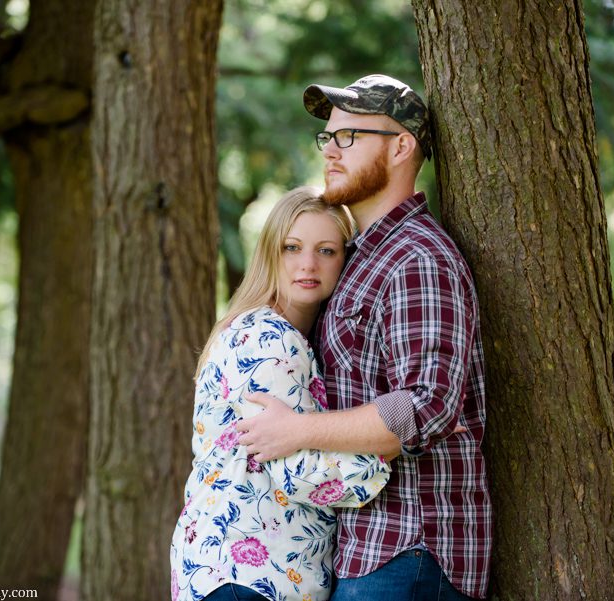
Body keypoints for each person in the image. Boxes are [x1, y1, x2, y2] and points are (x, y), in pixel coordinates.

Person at [236, 75, 492, 600]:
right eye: (327, 137)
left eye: (348, 136)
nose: (330, 150)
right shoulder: (364, 257)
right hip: (368, 546)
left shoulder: (418, 259)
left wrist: (299, 431)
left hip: (413, 547)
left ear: (401, 146)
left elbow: (428, 405)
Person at [170, 187, 392, 601]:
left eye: (326, 251)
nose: (308, 264)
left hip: (230, 574)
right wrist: (387, 445)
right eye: (293, 248)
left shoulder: (264, 330)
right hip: (249, 578)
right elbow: (298, 472)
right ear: (271, 252)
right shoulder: (271, 338)